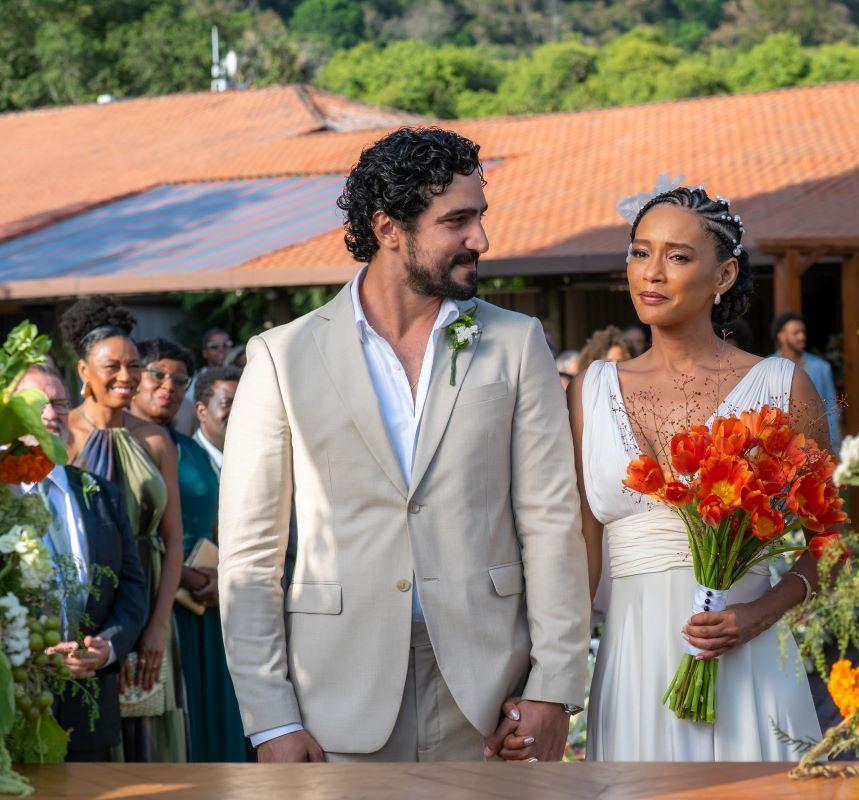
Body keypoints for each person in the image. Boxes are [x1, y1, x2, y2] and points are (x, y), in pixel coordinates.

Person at [218, 126, 590, 764]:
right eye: (457, 221)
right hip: (336, 697)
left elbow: (551, 521)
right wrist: (270, 720)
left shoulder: (516, 342)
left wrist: (554, 688)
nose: (481, 239)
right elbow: (250, 559)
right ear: (389, 228)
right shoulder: (282, 357)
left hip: (490, 698)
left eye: (480, 216)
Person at [567, 186, 825, 761]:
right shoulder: (590, 392)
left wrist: (758, 615)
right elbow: (581, 553)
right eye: (640, 252)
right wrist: (552, 684)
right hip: (632, 664)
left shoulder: (782, 388)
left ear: (723, 275)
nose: (652, 273)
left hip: (749, 663)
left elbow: (829, 544)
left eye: (678, 257)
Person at [58, 296, 188, 763]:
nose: (126, 376)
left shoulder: (156, 439)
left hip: (149, 597)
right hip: (87, 605)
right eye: (112, 366)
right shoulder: (62, 437)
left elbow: (173, 539)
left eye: (134, 365)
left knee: (152, 735)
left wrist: (158, 625)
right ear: (83, 371)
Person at [16, 364, 149, 763]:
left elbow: (132, 585)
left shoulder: (102, 494)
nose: (50, 413)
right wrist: (30, 654)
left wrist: (108, 647)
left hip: (88, 710)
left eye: (59, 403)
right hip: (14, 706)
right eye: (36, 403)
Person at [130, 339, 247, 762]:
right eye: (157, 375)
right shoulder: (121, 446)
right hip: (156, 601)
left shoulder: (192, 450)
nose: (169, 387)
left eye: (179, 380)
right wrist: (188, 576)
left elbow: (219, 523)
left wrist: (223, 575)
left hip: (207, 602)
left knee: (215, 712)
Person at [772, 312, 841, 449]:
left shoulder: (821, 367)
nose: (802, 337)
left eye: (803, 332)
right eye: (796, 333)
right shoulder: (767, 366)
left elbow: (831, 409)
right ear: (781, 336)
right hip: (778, 445)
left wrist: (834, 447)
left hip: (815, 445)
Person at [175, 329, 235, 436]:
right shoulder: (194, 384)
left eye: (226, 345)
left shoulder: (242, 379)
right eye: (214, 347)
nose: (221, 350)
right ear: (205, 353)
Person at [192, 367, 241, 475]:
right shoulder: (183, 461)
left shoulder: (249, 457)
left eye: (241, 404)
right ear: (202, 411)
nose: (237, 412)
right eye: (226, 404)